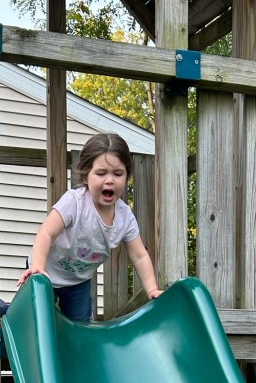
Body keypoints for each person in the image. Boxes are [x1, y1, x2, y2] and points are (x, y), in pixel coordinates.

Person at [18, 132, 162, 320]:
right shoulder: (74, 202)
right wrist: (37, 266)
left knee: (80, 324)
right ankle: (5, 311)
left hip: (78, 282)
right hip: (45, 273)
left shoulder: (125, 218)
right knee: (35, 318)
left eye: (118, 174)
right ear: (86, 176)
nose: (109, 180)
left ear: (127, 176)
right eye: (101, 173)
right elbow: (46, 233)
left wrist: (152, 289)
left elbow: (139, 256)